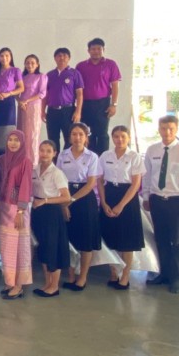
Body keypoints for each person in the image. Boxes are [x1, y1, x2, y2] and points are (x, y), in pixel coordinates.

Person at [142, 115, 179, 294]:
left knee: (177, 241)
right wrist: (146, 197)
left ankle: (176, 277)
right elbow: (147, 176)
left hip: (177, 201)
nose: (167, 132)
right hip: (157, 201)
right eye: (163, 128)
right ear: (159, 129)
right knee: (161, 239)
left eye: (171, 129)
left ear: (176, 130)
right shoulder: (152, 150)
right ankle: (164, 274)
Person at [97, 125, 145, 290]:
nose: (119, 139)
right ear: (112, 138)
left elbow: (136, 184)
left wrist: (121, 205)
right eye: (116, 136)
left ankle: (125, 276)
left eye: (123, 136)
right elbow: (100, 180)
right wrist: (103, 202)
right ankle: (113, 273)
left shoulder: (134, 157)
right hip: (109, 194)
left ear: (128, 137)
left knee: (127, 240)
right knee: (110, 237)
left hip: (127, 198)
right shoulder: (105, 155)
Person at [57, 122, 101, 291]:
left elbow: (90, 184)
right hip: (65, 194)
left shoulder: (92, 157)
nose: (77, 138)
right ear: (69, 137)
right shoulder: (63, 155)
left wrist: (71, 200)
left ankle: (82, 277)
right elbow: (59, 179)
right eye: (74, 134)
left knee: (85, 240)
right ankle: (70, 275)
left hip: (84, 199)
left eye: (81, 134)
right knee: (69, 238)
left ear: (86, 137)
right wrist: (64, 204)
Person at [0, 130, 33, 300]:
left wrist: (20, 211)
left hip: (18, 209)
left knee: (19, 248)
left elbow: (25, 186)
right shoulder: (2, 160)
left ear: (22, 143)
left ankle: (18, 286)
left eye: (17, 140)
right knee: (6, 248)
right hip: (3, 207)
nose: (13, 143)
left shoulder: (25, 161)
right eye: (10, 139)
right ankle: (9, 282)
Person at [30, 140, 71, 297]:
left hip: (51, 212)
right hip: (37, 211)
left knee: (53, 248)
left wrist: (45, 201)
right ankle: (47, 283)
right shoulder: (34, 170)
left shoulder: (57, 173)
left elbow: (66, 197)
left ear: (54, 154)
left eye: (48, 151)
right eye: (42, 150)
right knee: (43, 247)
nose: (44, 154)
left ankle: (54, 286)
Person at [76, 38, 121, 155]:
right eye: (93, 49)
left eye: (99, 49)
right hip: (86, 104)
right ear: (88, 50)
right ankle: (89, 159)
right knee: (87, 133)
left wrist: (114, 104)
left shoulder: (110, 64)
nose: (96, 51)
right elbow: (77, 88)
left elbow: (115, 85)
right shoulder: (81, 66)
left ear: (103, 49)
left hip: (103, 104)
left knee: (102, 134)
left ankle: (102, 160)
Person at [42, 47, 84, 155]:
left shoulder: (74, 73)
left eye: (65, 55)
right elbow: (45, 95)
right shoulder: (49, 75)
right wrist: (42, 111)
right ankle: (54, 162)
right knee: (52, 139)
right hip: (52, 111)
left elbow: (80, 94)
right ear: (55, 58)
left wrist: (78, 112)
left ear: (69, 58)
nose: (62, 58)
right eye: (59, 55)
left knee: (69, 139)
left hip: (68, 110)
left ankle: (66, 161)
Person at [0, 47, 24, 159]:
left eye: (7, 56)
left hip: (8, 103)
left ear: (11, 57)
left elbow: (21, 88)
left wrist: (9, 93)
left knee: (8, 129)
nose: (4, 58)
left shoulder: (15, 70)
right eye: (1, 56)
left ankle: (9, 156)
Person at [18, 54, 47, 166]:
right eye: (27, 63)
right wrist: (20, 101)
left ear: (37, 64)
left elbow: (42, 93)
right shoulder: (22, 77)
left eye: (32, 63)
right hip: (22, 107)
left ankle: (33, 163)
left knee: (33, 134)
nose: (30, 65)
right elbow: (16, 91)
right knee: (22, 134)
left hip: (34, 107)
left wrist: (27, 100)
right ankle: (22, 162)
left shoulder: (41, 76)